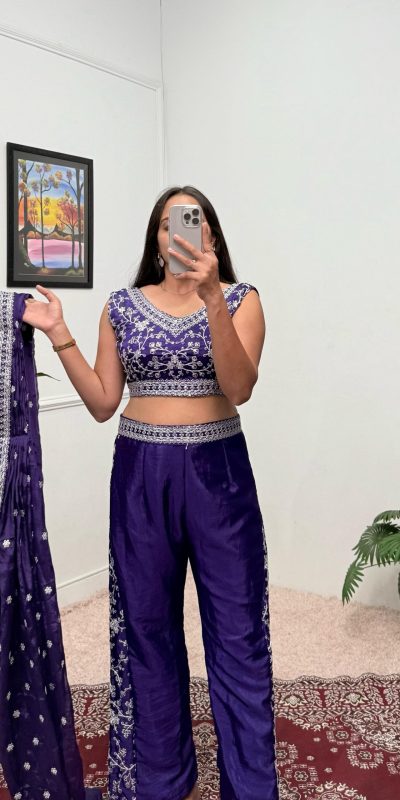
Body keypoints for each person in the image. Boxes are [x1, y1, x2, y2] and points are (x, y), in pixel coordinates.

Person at [23, 185, 279, 800]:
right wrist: (60, 332)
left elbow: (239, 388)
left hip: (219, 475)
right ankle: (162, 780)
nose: (179, 232)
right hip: (141, 474)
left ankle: (250, 787)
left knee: (238, 631)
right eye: (168, 223)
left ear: (210, 235)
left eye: (192, 221)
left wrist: (212, 297)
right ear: (156, 238)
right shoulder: (121, 306)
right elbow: (103, 403)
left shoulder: (241, 299)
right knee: (146, 627)